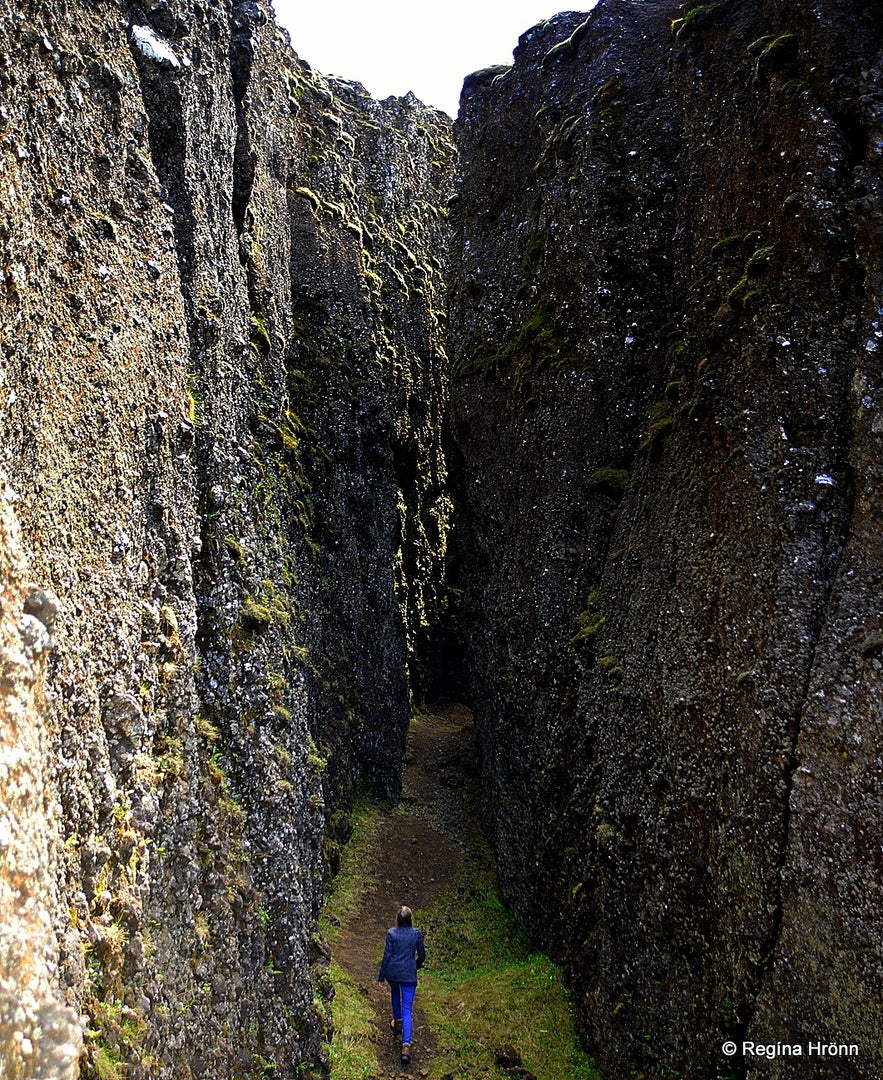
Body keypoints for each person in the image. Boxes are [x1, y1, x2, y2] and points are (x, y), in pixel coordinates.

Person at [377, 905, 425, 1066]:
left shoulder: (391, 933)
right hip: (408, 975)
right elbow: (422, 955)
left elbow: (387, 956)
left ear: (397, 919)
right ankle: (406, 1045)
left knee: (395, 994)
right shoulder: (416, 934)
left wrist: (381, 976)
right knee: (407, 1009)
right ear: (411, 919)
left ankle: (397, 1023)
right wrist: (415, 965)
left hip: (393, 973)